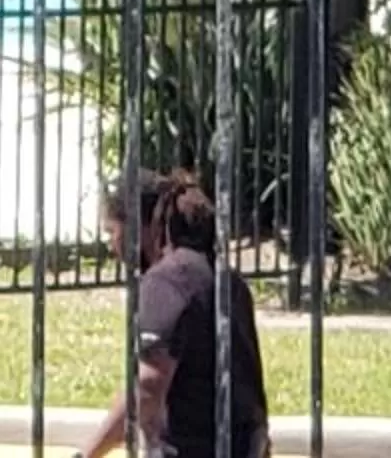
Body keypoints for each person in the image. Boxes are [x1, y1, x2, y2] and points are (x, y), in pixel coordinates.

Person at [77, 170, 268, 458]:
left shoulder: (165, 283)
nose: (112, 245)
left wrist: (86, 455)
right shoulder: (229, 280)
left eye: (111, 231)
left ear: (137, 228)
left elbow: (147, 387)